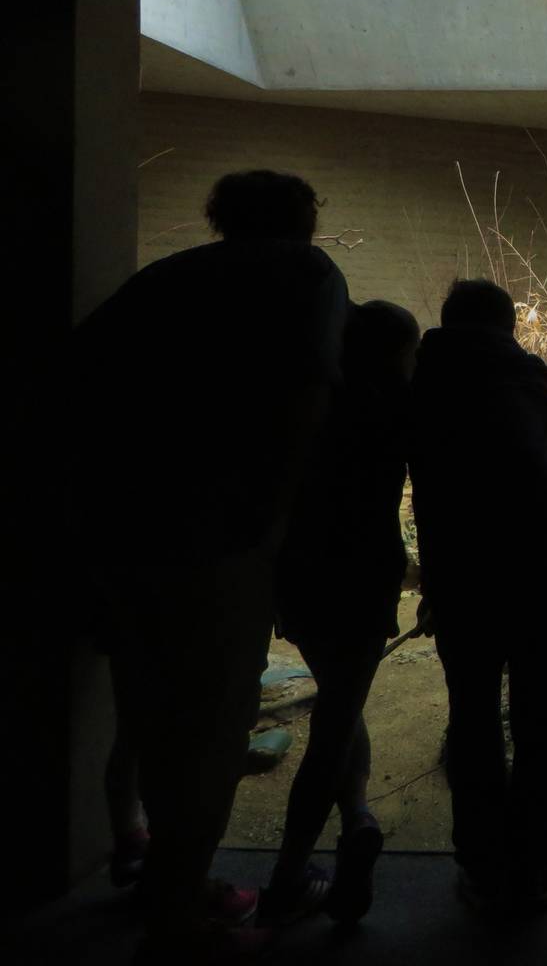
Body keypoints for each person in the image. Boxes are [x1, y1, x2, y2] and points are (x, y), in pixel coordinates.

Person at [72, 170, 348, 961]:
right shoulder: (306, 274)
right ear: (303, 218)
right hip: (219, 540)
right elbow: (307, 395)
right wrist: (273, 519)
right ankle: (178, 923)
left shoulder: (165, 278)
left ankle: (173, 883)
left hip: (125, 535)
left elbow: (77, 378)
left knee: (155, 717)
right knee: (214, 727)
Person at [407, 279, 547, 916]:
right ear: (507, 325)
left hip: (465, 568)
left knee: (474, 714)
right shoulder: (532, 377)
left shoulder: (420, 383)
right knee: (545, 709)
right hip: (542, 561)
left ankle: (482, 864)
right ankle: (532, 861)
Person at [258, 300, 420, 927]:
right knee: (333, 725)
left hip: (302, 574)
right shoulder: (396, 410)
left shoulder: (313, 402)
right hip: (363, 576)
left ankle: (357, 819)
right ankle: (288, 874)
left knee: (338, 702)